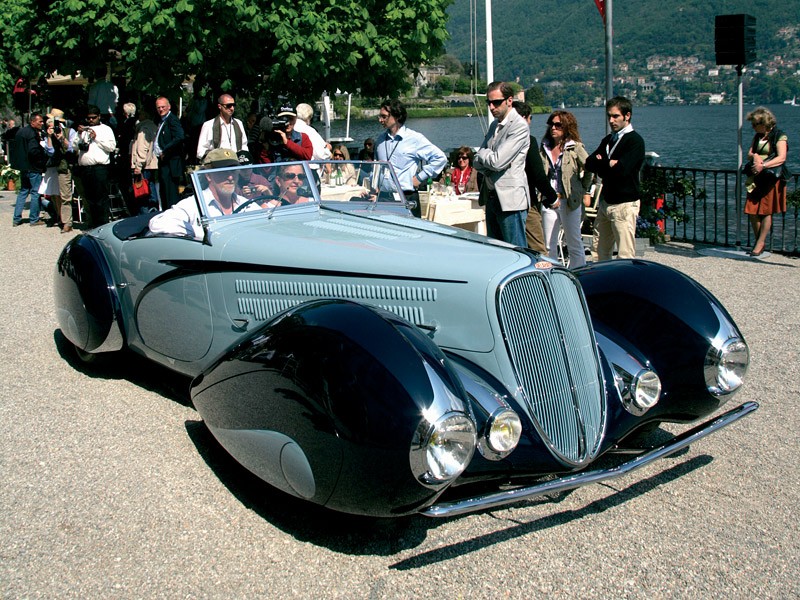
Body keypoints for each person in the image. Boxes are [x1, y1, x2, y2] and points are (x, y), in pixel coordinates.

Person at [585, 96, 645, 261]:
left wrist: (603, 163)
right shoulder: (608, 140)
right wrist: (609, 163)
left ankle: (624, 278)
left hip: (624, 203)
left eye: (615, 116)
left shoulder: (635, 141)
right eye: (609, 116)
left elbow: (622, 170)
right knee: (598, 251)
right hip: (606, 202)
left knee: (625, 254)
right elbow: (589, 163)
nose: (611, 120)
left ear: (627, 116)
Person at [149, 148, 256, 239]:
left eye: (233, 170)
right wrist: (206, 233)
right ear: (208, 175)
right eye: (223, 171)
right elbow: (157, 224)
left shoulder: (245, 204)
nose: (230, 177)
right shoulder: (195, 204)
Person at [473, 82, 531, 246]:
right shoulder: (494, 125)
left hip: (510, 201)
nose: (491, 107)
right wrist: (485, 157)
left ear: (509, 100)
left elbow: (497, 162)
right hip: (492, 197)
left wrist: (483, 154)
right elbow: (476, 161)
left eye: (496, 102)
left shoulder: (519, 126)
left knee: (516, 250)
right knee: (496, 250)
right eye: (489, 102)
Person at [374, 98, 447, 218]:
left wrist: (420, 177)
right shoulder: (380, 140)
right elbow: (376, 167)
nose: (380, 120)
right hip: (383, 198)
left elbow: (440, 158)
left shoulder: (414, 138)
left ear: (397, 116)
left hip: (406, 198)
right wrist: (374, 188)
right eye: (379, 116)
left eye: (384, 117)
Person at [539, 110, 593, 267]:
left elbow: (589, 168)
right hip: (550, 200)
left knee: (574, 242)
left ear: (567, 127)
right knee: (549, 245)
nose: (553, 128)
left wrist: (583, 188)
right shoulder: (544, 147)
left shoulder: (575, 147)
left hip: (569, 200)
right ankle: (552, 275)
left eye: (558, 125)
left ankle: (579, 273)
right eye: (551, 124)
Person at [512, 101, 558, 254]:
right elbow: (537, 175)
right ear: (524, 118)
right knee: (538, 250)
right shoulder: (528, 140)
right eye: (530, 118)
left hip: (504, 203)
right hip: (526, 200)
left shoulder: (498, 138)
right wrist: (552, 197)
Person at [742, 107, 788, 257]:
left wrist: (763, 165)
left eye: (755, 124)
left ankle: (759, 243)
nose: (753, 127)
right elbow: (750, 153)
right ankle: (759, 241)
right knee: (752, 210)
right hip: (756, 177)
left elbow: (781, 157)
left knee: (766, 211)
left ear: (764, 123)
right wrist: (755, 156)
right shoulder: (758, 136)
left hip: (770, 178)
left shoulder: (779, 136)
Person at [75, 105, 117, 226]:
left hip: (99, 168)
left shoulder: (106, 129)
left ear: (99, 117)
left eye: (93, 118)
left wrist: (96, 138)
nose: (91, 120)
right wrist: (79, 134)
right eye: (89, 118)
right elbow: (74, 147)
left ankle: (102, 224)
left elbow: (111, 147)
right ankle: (93, 224)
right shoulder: (84, 130)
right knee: (89, 199)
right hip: (85, 168)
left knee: (101, 198)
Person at [10, 112, 47, 226]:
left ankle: (16, 218)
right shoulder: (32, 133)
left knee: (23, 191)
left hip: (23, 167)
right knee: (35, 192)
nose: (42, 123)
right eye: (40, 121)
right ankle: (34, 219)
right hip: (33, 167)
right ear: (32, 122)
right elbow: (33, 151)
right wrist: (42, 157)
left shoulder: (20, 132)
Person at [153, 96, 185, 210]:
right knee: (164, 191)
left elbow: (179, 136)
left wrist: (165, 150)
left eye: (163, 107)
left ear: (169, 107)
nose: (161, 109)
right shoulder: (162, 120)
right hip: (164, 162)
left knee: (170, 193)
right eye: (158, 107)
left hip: (170, 162)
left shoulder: (172, 120)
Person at [196, 94, 249, 161]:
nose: (232, 108)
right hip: (217, 164)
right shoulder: (209, 125)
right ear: (219, 106)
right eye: (228, 105)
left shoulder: (239, 123)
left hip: (237, 164)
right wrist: (214, 158)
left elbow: (244, 146)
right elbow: (201, 151)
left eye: (233, 105)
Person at [130, 105, 160, 212]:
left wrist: (138, 166)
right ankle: (154, 211)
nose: (139, 115)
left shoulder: (143, 129)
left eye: (141, 113)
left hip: (144, 165)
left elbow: (142, 149)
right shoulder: (155, 127)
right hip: (152, 164)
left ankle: (145, 215)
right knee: (151, 187)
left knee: (143, 193)